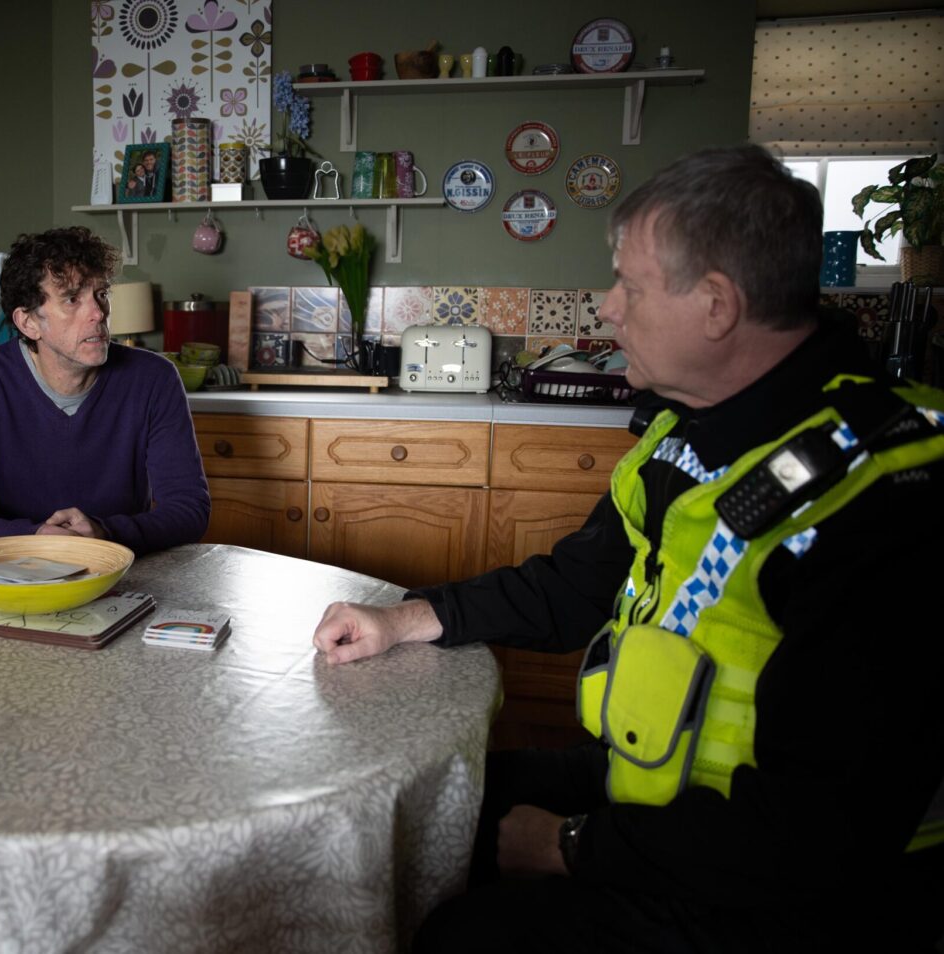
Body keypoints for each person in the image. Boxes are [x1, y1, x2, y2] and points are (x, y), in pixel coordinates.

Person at [312, 145, 944, 952]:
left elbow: (815, 830)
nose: (608, 309)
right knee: (430, 807)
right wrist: (409, 618)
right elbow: (578, 586)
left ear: (716, 305)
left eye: (630, 287)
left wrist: (570, 846)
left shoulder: (882, 497)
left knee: (464, 935)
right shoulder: (689, 427)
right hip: (661, 789)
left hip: (792, 892)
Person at [0, 226, 209, 554]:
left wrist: (105, 533)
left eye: (101, 294)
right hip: (15, 570)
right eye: (72, 299)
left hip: (121, 569)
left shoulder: (154, 378)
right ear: (28, 323)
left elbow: (189, 509)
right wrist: (35, 538)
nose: (98, 314)